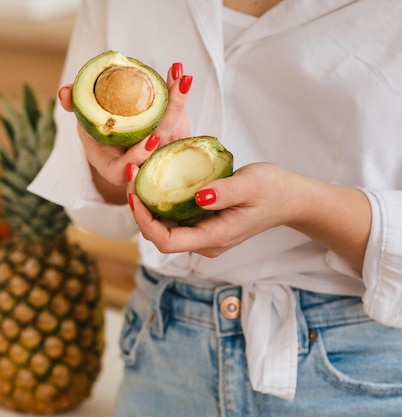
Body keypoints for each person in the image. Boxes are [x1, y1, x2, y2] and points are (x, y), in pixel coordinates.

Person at [28, 0, 402, 415]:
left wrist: (301, 204)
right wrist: (120, 163)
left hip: (351, 371)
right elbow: (99, 212)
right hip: (164, 353)